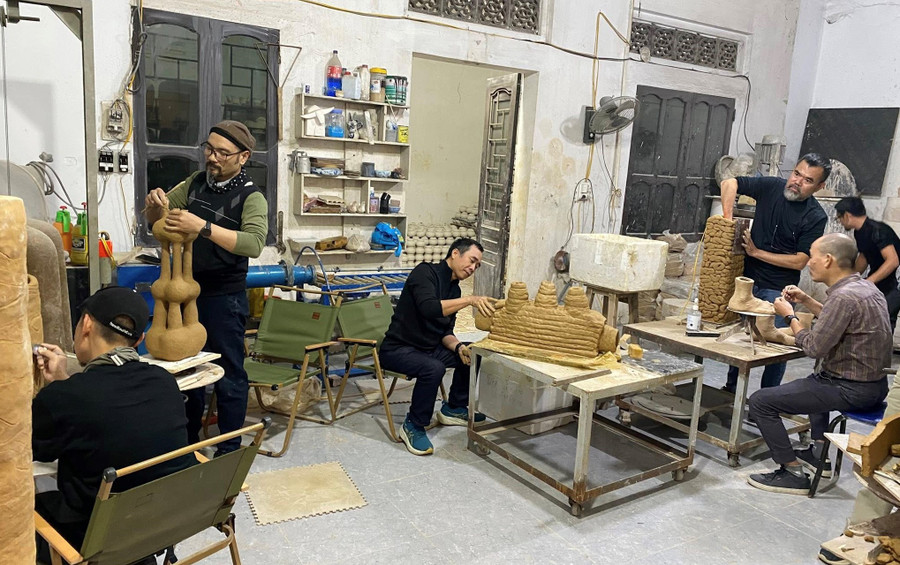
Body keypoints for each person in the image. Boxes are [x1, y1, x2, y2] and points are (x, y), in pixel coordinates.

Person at [32, 286, 195, 563]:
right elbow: (108, 416)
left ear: (86, 324)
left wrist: (59, 392)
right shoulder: (165, 382)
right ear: (140, 340)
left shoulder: (65, 399)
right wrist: (63, 382)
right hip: (156, 528)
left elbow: (28, 451)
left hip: (90, 538)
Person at [144, 120, 267, 456]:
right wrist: (155, 204)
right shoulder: (196, 183)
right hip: (185, 292)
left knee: (229, 374)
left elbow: (254, 243)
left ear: (243, 157)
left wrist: (202, 226)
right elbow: (158, 218)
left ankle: (229, 449)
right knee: (187, 370)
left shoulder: (251, 197)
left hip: (223, 298)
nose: (212, 157)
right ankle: (187, 444)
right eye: (209, 149)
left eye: (222, 153)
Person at [745, 233, 891, 495]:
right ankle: (818, 455)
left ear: (828, 260)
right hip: (875, 386)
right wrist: (806, 300)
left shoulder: (844, 297)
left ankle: (792, 472)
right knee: (815, 379)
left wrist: (789, 316)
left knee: (760, 402)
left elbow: (813, 348)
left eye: (812, 257)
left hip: (851, 389)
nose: (808, 263)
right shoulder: (865, 288)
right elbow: (836, 320)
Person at [720, 153, 831, 393]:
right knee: (738, 340)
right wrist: (728, 222)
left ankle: (768, 397)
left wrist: (757, 252)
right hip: (747, 280)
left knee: (776, 347)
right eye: (797, 174)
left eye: (808, 180)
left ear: (819, 186)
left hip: (779, 289)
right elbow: (730, 183)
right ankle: (730, 390)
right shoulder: (771, 186)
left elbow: (800, 261)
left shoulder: (815, 216)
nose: (797, 182)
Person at [378, 238, 497, 456]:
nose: (473, 268)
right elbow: (429, 308)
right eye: (472, 261)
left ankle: (454, 407)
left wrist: (459, 347)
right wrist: (470, 300)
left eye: (477, 265)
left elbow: (445, 333)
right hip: (398, 349)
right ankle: (413, 425)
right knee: (433, 368)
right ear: (455, 253)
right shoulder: (424, 273)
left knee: (473, 353)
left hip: (428, 348)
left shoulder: (454, 291)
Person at [835, 195, 900, 330]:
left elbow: (893, 261)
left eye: (839, 218)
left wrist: (868, 282)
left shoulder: (878, 230)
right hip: (881, 280)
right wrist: (849, 280)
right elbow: (864, 257)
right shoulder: (860, 232)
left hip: (895, 283)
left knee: (884, 323)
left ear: (847, 215)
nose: (840, 222)